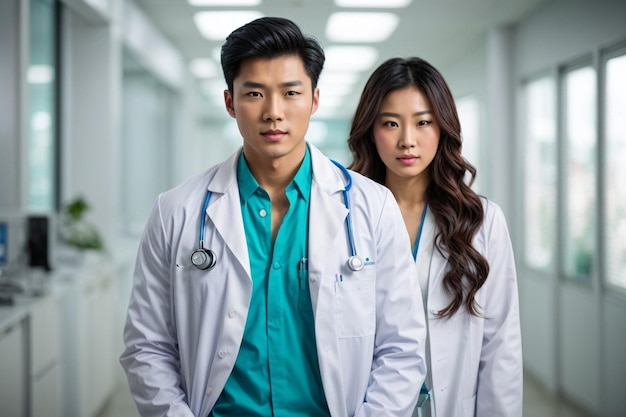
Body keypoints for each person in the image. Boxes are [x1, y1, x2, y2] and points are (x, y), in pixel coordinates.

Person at [120, 18, 427, 417]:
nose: (273, 112)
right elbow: (147, 346)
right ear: (230, 102)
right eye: (255, 93)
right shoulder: (176, 211)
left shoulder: (372, 207)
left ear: (314, 100)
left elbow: (401, 347)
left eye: (290, 92)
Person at [348, 57, 523, 417]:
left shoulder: (482, 221)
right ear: (370, 129)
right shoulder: (343, 217)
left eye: (423, 122)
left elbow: (500, 344)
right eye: (391, 123)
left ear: (443, 127)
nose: (407, 140)